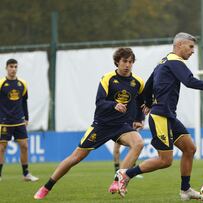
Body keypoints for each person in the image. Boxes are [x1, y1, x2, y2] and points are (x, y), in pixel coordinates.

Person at [115, 32, 203, 200]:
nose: (193, 51)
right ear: (179, 45)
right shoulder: (175, 61)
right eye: (190, 47)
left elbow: (148, 85)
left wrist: (147, 102)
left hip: (168, 116)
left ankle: (185, 190)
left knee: (190, 148)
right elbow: (189, 81)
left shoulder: (164, 61)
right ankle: (126, 174)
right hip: (161, 116)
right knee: (165, 160)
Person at [34, 48, 145, 199]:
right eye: (125, 61)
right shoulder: (108, 79)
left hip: (122, 126)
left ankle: (118, 180)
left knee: (138, 143)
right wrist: (114, 105)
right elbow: (99, 102)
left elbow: (141, 102)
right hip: (102, 125)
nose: (128, 65)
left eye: (131, 62)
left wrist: (139, 119)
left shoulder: (138, 82)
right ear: (117, 62)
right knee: (75, 157)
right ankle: (46, 187)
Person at [0, 59, 39, 182]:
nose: (13, 69)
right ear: (6, 68)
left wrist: (26, 117)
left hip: (19, 120)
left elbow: (24, 102)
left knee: (24, 146)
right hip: (4, 121)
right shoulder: (1, 84)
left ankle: (26, 174)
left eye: (15, 66)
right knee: (1, 148)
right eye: (11, 66)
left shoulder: (22, 84)